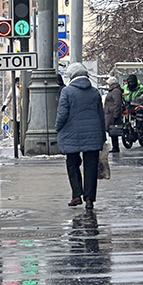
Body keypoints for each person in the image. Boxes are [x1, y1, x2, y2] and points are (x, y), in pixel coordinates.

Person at [56, 62, 107, 211]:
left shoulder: (67, 92)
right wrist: (102, 135)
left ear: (71, 76)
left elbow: (62, 114)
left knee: (72, 163)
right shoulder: (94, 92)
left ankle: (77, 194)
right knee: (91, 166)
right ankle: (90, 199)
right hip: (93, 134)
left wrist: (57, 128)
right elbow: (100, 116)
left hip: (71, 135)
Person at [104, 75, 124, 153]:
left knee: (113, 130)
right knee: (111, 130)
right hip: (110, 113)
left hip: (112, 113)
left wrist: (116, 115)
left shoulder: (115, 91)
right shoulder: (114, 91)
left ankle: (115, 147)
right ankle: (115, 147)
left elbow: (117, 103)